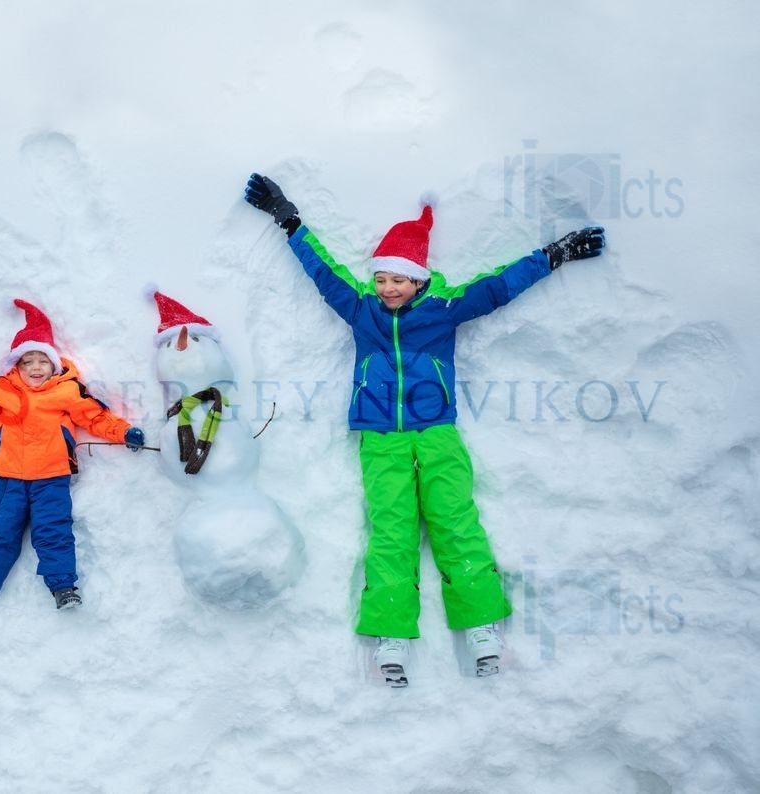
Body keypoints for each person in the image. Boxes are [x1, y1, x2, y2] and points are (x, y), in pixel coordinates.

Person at [244, 173, 605, 686]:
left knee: (455, 522)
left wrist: (554, 254)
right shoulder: (361, 310)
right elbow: (323, 274)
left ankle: (481, 624)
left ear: (419, 279)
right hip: (380, 438)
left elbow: (499, 287)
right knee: (391, 531)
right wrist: (288, 219)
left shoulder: (443, 310)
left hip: (437, 433)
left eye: (400, 279)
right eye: (383, 279)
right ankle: (392, 631)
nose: (390, 288)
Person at [0, 299, 146, 610]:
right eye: (27, 362)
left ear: (54, 364)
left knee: (53, 531)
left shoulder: (67, 390)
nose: (35, 368)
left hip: (51, 477)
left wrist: (123, 432)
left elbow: (95, 417)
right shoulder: (2, 390)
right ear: (16, 366)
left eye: (42, 361)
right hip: (8, 476)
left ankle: (64, 587)